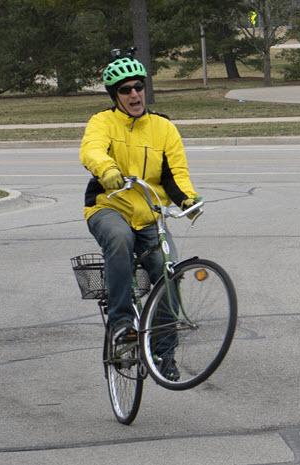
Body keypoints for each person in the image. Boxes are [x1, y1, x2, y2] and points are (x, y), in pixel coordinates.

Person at [79, 49, 201, 378]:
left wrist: (188, 200)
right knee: (118, 239)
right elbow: (91, 149)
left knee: (168, 269)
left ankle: (165, 354)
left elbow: (176, 173)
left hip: (148, 214)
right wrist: (106, 169)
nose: (134, 93)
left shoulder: (163, 127)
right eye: (125, 89)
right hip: (108, 206)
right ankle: (121, 326)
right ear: (114, 95)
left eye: (138, 86)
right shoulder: (102, 122)